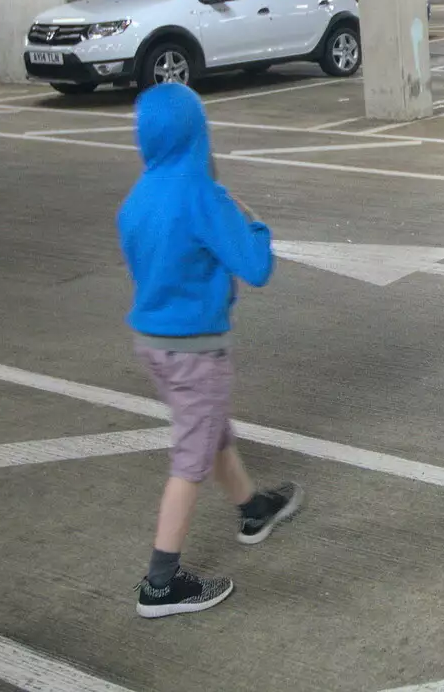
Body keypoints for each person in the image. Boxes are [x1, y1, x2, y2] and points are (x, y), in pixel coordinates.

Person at [118, 83, 304, 618]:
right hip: (197, 350)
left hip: (153, 346)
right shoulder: (203, 195)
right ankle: (161, 583)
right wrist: (256, 223)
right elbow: (256, 267)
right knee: (190, 461)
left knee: (211, 431)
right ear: (198, 133)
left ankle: (254, 509)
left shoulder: (137, 198)